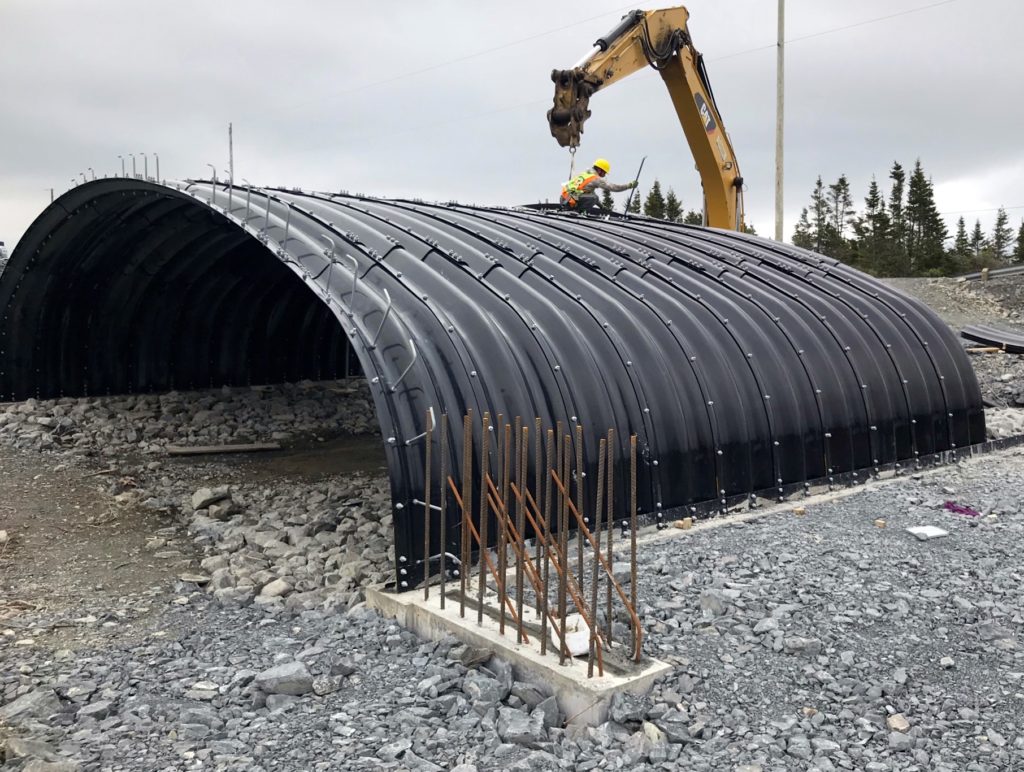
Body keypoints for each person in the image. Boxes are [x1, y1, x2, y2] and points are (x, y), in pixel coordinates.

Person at [560, 158, 637, 213]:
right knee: (594, 198)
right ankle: (580, 212)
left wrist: (601, 207)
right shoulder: (595, 178)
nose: (604, 175)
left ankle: (574, 209)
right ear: (599, 170)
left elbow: (589, 193)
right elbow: (614, 187)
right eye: (604, 172)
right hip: (570, 202)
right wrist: (629, 185)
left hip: (563, 199)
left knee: (593, 196)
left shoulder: (584, 174)